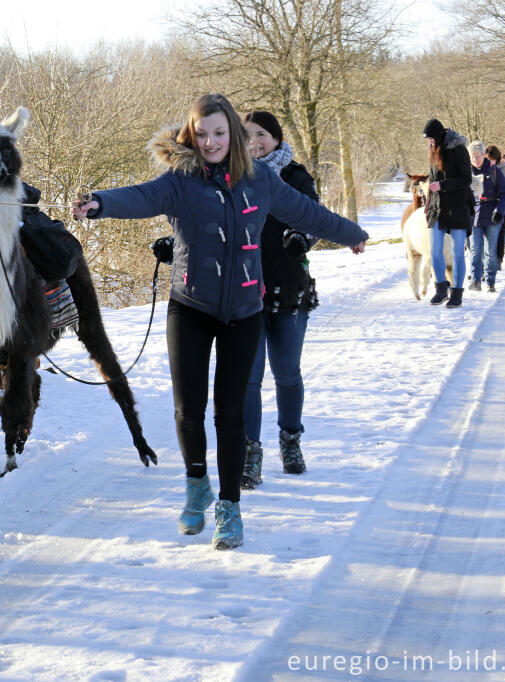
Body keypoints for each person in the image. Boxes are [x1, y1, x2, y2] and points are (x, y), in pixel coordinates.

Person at [71, 94, 368, 550]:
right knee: (188, 410)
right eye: (202, 134)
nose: (210, 142)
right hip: (189, 307)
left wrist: (352, 233)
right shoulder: (180, 182)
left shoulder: (260, 180)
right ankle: (196, 486)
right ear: (192, 135)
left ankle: (230, 509)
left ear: (234, 134)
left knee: (229, 415)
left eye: (219, 133)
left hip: (245, 311)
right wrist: (99, 203)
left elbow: (308, 213)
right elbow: (141, 196)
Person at [239, 110, 319, 489]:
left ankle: (290, 442)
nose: (254, 142)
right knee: (248, 377)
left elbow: (314, 218)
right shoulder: (231, 179)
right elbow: (206, 222)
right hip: (243, 292)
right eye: (247, 135)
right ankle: (250, 453)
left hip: (288, 289)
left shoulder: (295, 177)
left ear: (275, 138)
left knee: (286, 372)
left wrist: (303, 237)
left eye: (261, 135)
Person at [422, 118, 473, 307]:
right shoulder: (433, 152)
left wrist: (443, 185)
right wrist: (428, 208)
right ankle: (441, 289)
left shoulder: (459, 150)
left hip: (459, 207)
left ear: (438, 136)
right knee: (435, 250)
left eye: (430, 139)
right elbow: (432, 183)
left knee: (457, 251)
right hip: (437, 208)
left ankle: (457, 293)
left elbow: (466, 180)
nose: (429, 143)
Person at [467, 141, 505, 292]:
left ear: (484, 155)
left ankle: (490, 281)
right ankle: (475, 280)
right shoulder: (466, 172)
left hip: (492, 217)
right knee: (475, 250)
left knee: (490, 251)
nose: (475, 160)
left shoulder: (494, 171)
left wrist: (500, 212)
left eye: (477, 156)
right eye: (472, 157)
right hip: (473, 217)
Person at [487, 145, 505, 268]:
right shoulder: (482, 167)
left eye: (492, 159)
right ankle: (487, 260)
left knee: (500, 232)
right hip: (487, 205)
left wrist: (504, 192)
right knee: (488, 234)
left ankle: (499, 259)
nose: (490, 162)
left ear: (497, 159)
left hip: (502, 205)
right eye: (488, 159)